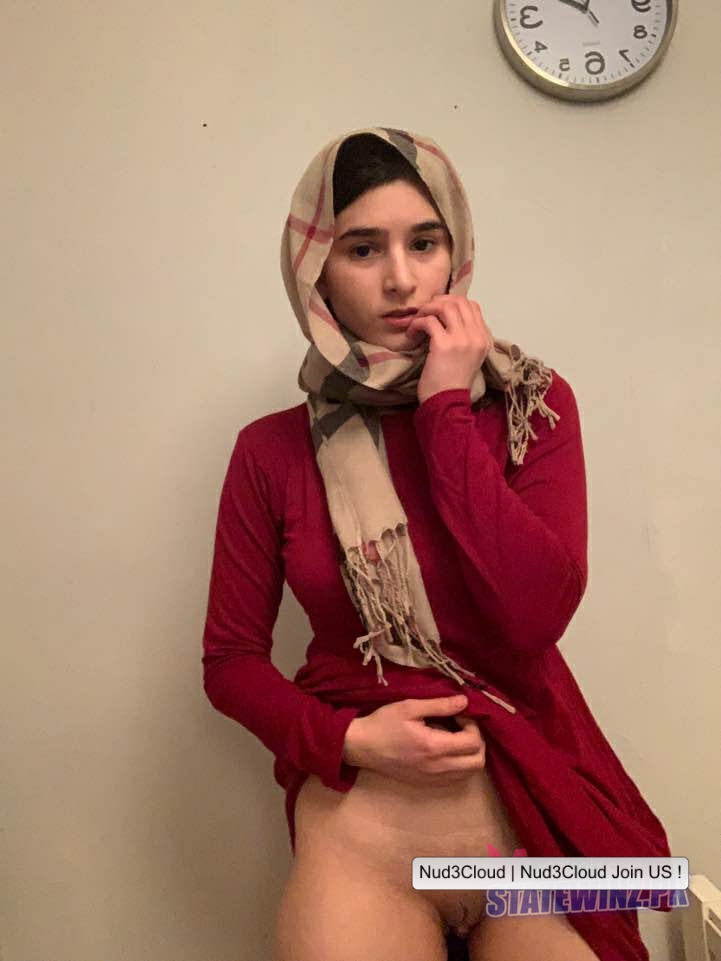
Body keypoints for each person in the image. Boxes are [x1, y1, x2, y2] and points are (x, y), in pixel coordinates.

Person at [202, 127, 672, 961]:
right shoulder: (271, 450)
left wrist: (444, 407)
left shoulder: (533, 409)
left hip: (528, 830)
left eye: (424, 242)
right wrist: (348, 740)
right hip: (365, 838)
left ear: (455, 252)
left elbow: (533, 617)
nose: (401, 277)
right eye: (362, 249)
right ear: (316, 273)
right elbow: (230, 661)